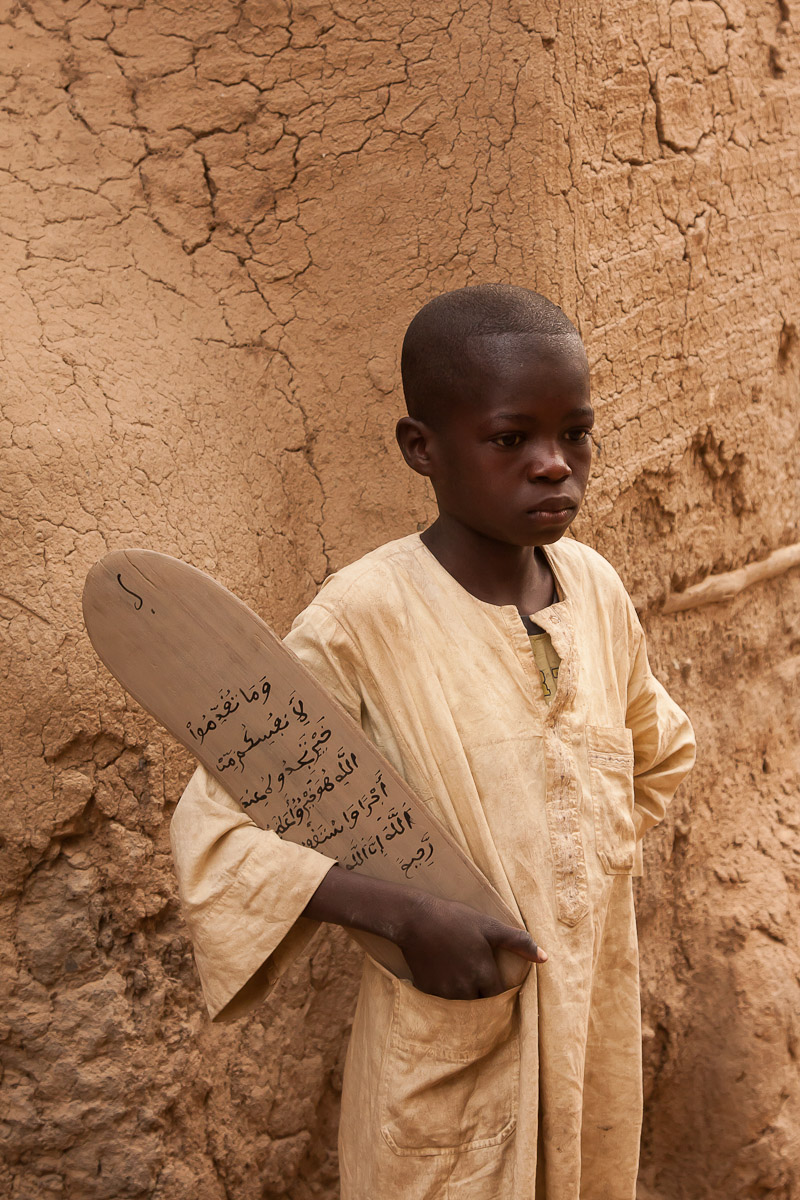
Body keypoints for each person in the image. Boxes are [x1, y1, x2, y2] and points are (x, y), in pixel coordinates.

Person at [171, 284, 696, 1199]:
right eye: (510, 439)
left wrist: (566, 872)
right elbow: (217, 839)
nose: (552, 467)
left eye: (575, 435)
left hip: (586, 1037)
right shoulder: (362, 617)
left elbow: (653, 756)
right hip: (448, 1054)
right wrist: (407, 914)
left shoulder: (597, 593)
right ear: (423, 447)